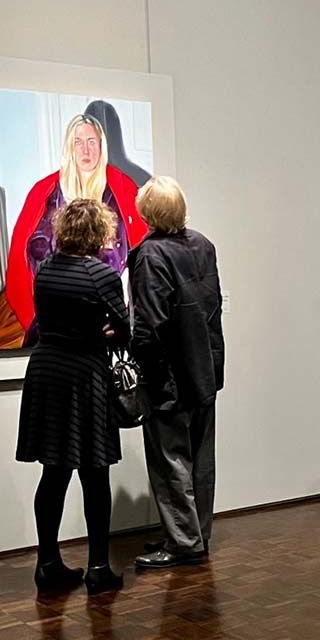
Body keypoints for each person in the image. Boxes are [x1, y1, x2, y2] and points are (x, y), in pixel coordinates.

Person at [16, 199, 129, 595]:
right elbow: (124, 329)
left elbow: (51, 320)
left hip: (48, 373)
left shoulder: (45, 270)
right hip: (84, 375)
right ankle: (98, 567)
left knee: (54, 470)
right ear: (98, 232)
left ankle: (48, 564)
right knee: (95, 473)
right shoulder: (101, 274)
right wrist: (102, 332)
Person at [130, 176, 224, 568]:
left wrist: (145, 371)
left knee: (171, 460)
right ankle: (194, 535)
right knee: (201, 459)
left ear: (148, 212)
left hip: (169, 376)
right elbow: (213, 304)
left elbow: (150, 325)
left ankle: (184, 543)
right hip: (204, 367)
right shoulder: (203, 245)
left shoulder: (150, 256)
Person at [1, 113, 148, 347]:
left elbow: (138, 252)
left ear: (102, 145)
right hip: (55, 316)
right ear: (69, 147)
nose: (85, 151)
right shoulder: (44, 191)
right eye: (78, 142)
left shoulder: (123, 187)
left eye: (91, 141)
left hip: (106, 316)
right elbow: (28, 253)